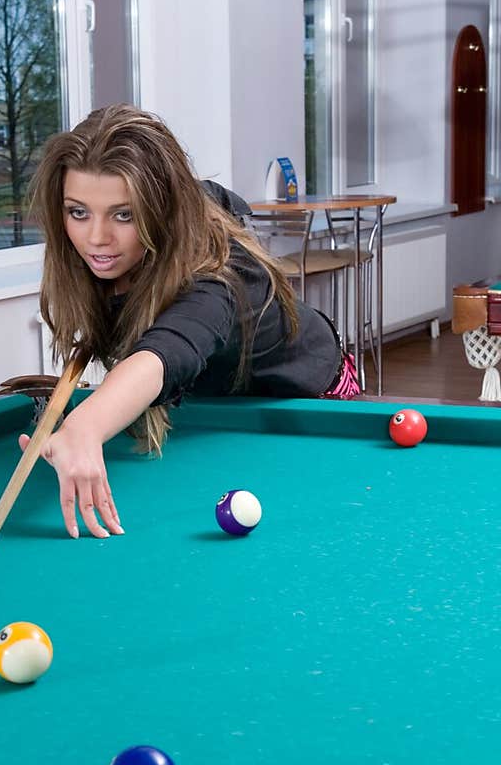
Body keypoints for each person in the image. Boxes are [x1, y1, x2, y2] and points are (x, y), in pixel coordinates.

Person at [21, 103, 360, 540]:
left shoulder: (220, 274)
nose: (96, 237)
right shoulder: (114, 249)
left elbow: (169, 349)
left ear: (162, 209)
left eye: (123, 214)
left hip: (303, 399)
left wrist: (85, 427)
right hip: (208, 401)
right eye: (78, 212)